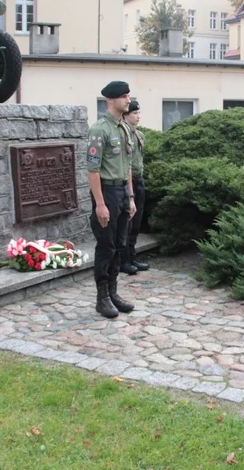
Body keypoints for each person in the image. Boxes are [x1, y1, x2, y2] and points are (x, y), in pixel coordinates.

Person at [87, 80, 137, 319]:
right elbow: (93, 170)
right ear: (110, 100)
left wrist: (131, 197)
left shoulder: (124, 128)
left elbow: (126, 165)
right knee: (106, 246)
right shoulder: (100, 129)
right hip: (106, 193)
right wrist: (100, 204)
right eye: (124, 97)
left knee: (119, 245)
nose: (128, 100)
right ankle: (102, 297)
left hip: (122, 192)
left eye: (128, 96)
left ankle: (114, 291)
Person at [121, 100, 150, 275]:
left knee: (137, 221)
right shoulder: (124, 135)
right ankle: (124, 260)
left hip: (139, 179)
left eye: (139, 113)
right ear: (125, 116)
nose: (138, 116)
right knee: (128, 223)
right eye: (134, 113)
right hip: (127, 181)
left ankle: (132, 256)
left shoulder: (138, 134)